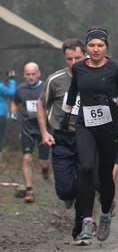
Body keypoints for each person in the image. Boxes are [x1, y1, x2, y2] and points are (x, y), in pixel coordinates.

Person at [64, 28, 118, 242]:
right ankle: (87, 220)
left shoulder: (117, 69)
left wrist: (117, 101)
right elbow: (74, 92)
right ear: (86, 47)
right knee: (86, 167)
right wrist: (66, 115)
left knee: (105, 175)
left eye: (100, 45)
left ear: (106, 47)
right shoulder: (78, 68)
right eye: (92, 45)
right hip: (85, 125)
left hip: (109, 128)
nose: (96, 49)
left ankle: (104, 215)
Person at [37, 39, 86, 241]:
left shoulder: (93, 78)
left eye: (77, 58)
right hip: (62, 138)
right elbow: (41, 104)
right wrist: (44, 132)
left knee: (84, 185)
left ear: (85, 56)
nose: (73, 62)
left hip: (86, 136)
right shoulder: (56, 80)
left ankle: (80, 228)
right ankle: (69, 196)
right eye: (69, 59)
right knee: (65, 190)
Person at [11, 62, 51, 203]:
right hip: (27, 129)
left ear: (39, 74)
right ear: (24, 75)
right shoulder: (21, 89)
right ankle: (29, 191)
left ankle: (45, 168)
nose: (31, 77)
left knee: (43, 162)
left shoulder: (46, 87)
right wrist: (13, 113)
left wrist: (48, 113)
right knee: (26, 158)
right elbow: (15, 102)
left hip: (43, 130)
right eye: (28, 74)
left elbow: (54, 104)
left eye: (33, 74)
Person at [0, 70, 17, 169]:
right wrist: (12, 79)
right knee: (1, 139)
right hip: (1, 116)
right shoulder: (0, 86)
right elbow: (11, 92)